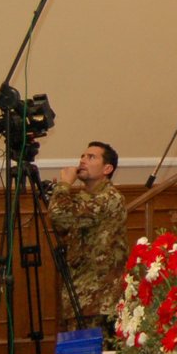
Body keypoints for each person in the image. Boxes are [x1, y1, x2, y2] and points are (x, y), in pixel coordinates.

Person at [47, 141, 127, 328]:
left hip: (101, 300)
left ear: (107, 168)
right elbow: (61, 225)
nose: (83, 161)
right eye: (82, 156)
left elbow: (60, 215)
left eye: (91, 157)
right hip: (78, 297)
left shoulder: (110, 197)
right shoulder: (82, 199)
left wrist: (64, 185)